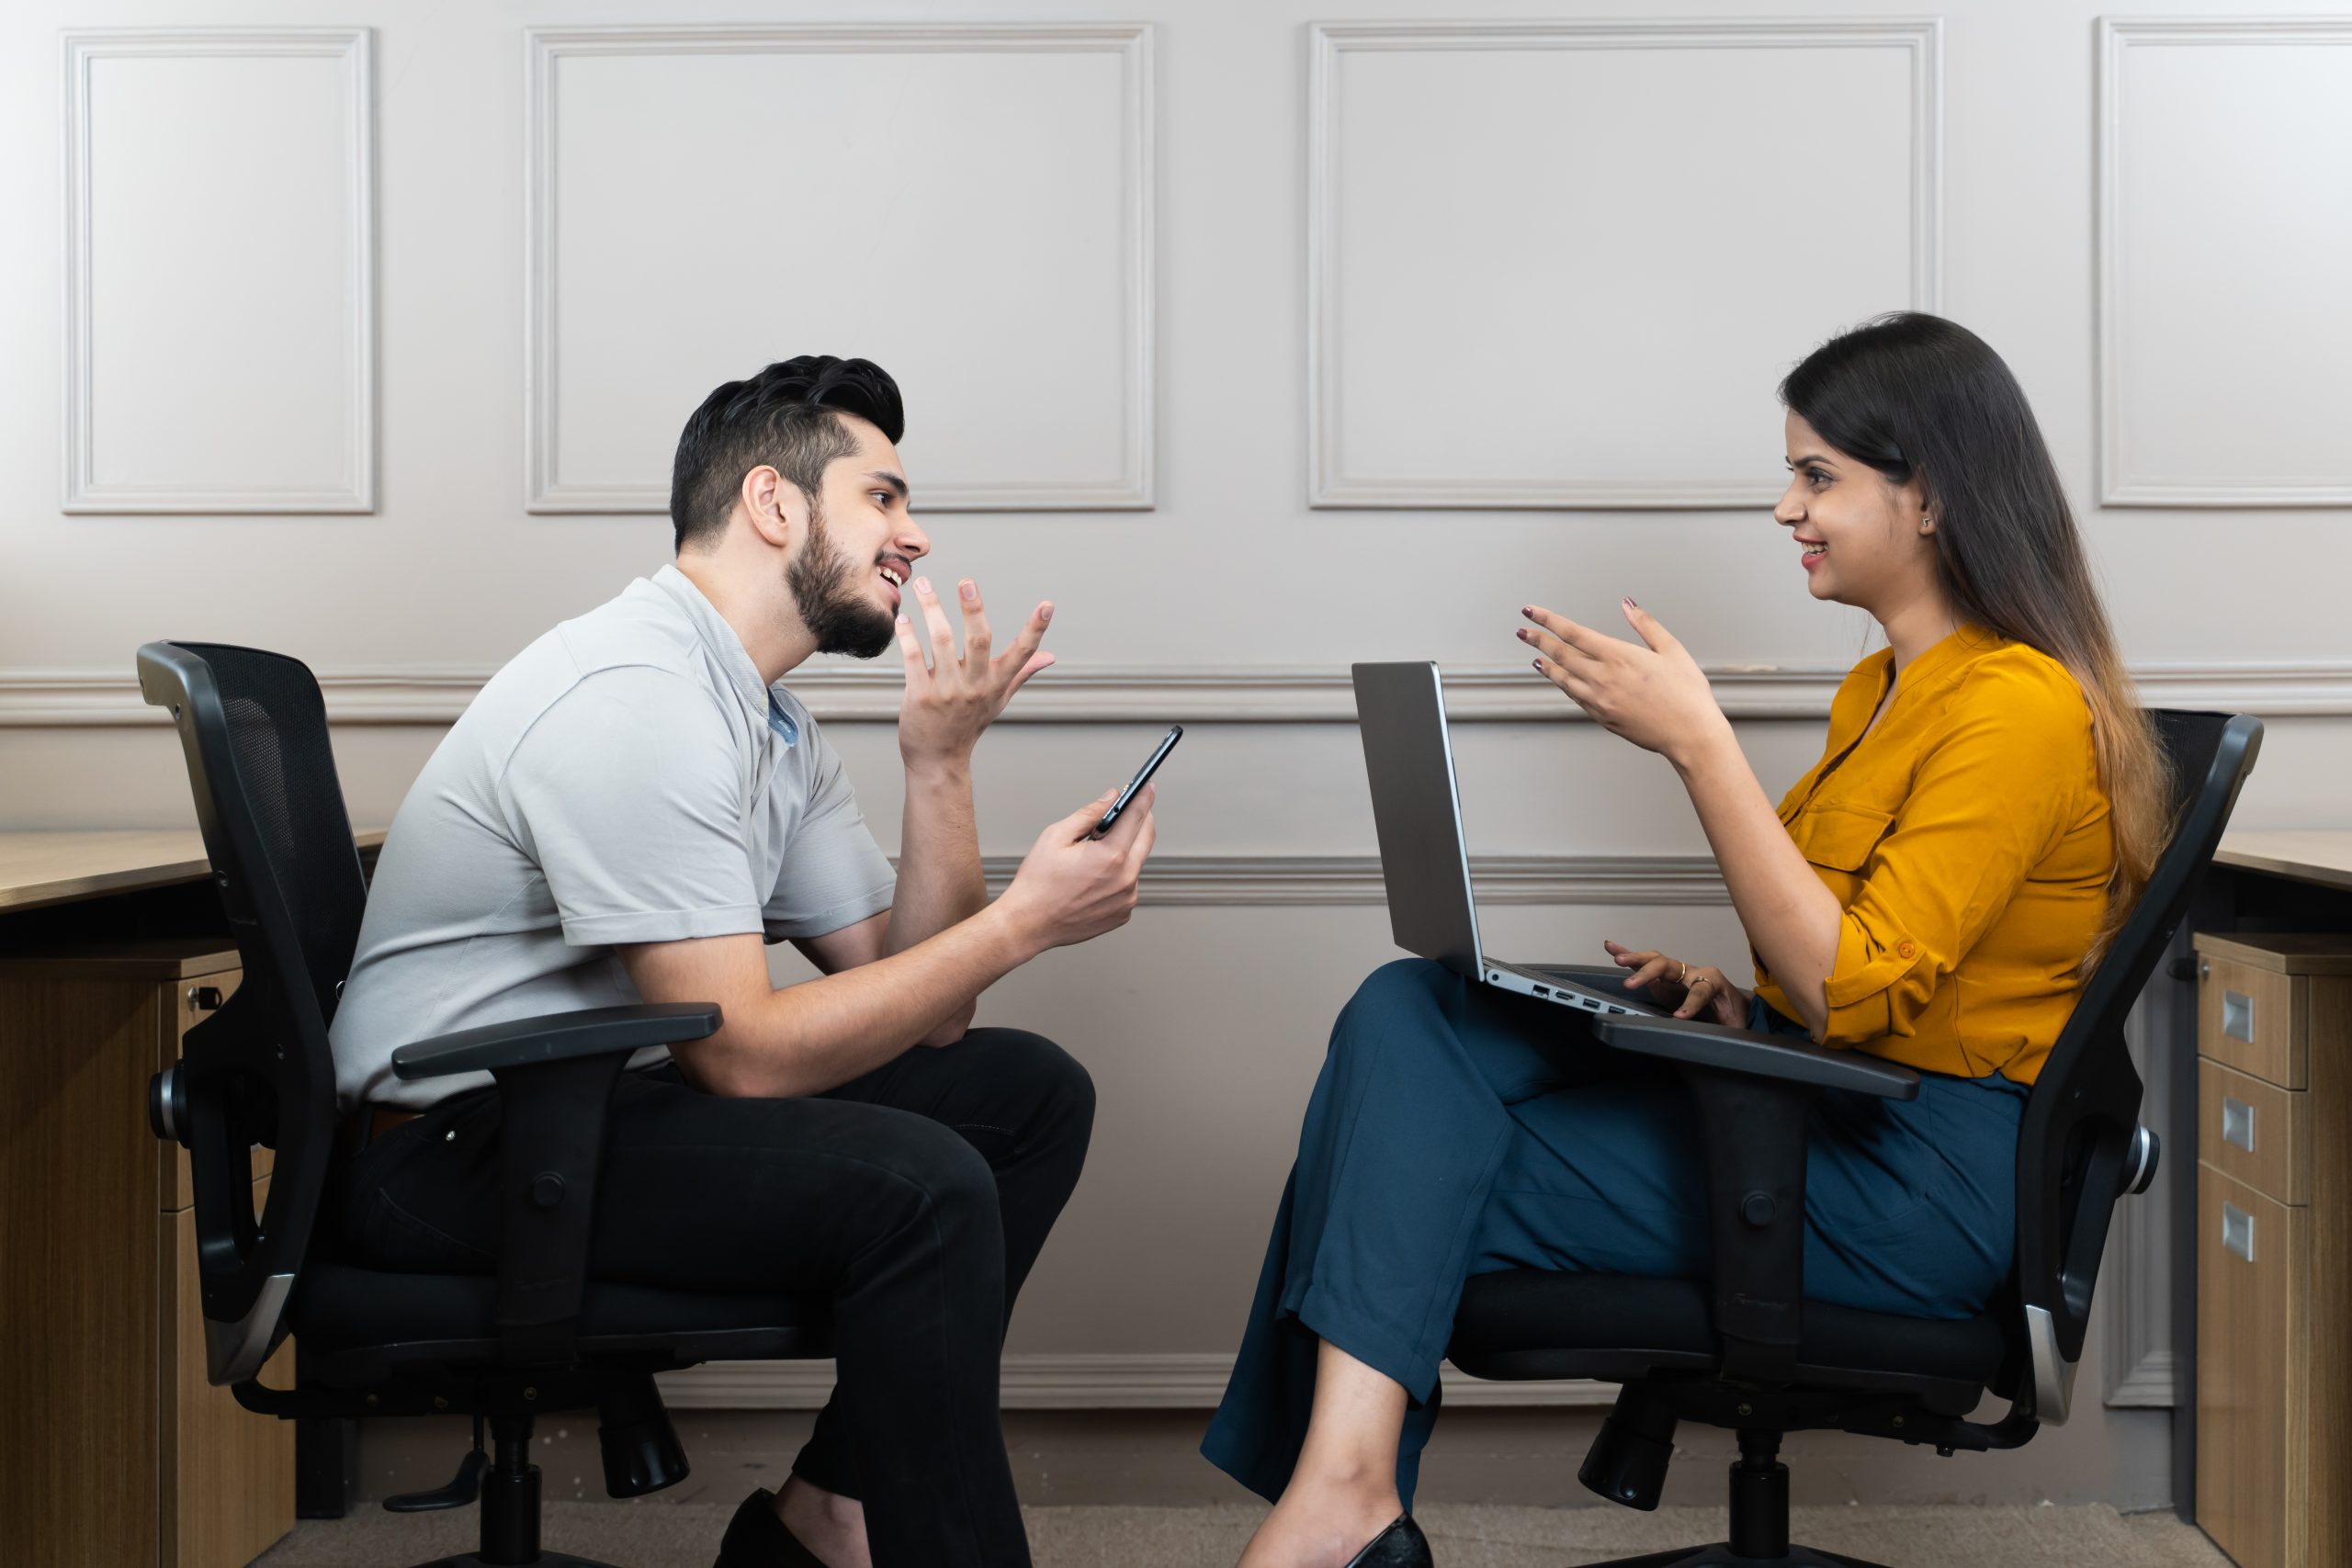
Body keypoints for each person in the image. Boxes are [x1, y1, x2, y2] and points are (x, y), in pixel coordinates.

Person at [1200, 313, 2172, 1568]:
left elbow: (1850, 986)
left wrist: (1700, 744)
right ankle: (1345, 1491)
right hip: (1831, 1098)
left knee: (1411, 1153)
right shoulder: (1885, 689)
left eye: (1818, 476)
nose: (1786, 508)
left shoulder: (2020, 712)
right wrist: (1729, 994)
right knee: (1409, 1009)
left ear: (1928, 497)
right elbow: (1842, 958)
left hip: (1915, 1180)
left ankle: (1342, 1498)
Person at [328, 356, 1157, 1568]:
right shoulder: (636, 699)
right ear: (774, 504)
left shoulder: (766, 717)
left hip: (573, 1109)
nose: (915, 536)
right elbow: (748, 1062)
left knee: (1022, 1097)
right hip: (455, 1152)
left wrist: (940, 765)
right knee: (922, 1185)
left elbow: (919, 1011)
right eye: (883, 497)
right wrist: (1023, 921)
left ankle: (827, 1520)